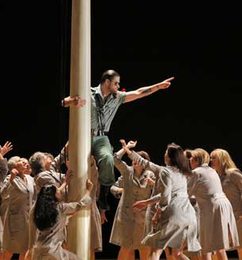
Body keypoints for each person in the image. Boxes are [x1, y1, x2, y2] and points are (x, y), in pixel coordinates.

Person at [61, 69, 174, 216]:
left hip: (101, 137)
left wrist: (158, 86)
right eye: (116, 83)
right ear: (107, 82)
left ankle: (103, 196)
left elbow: (139, 92)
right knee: (76, 162)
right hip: (84, 135)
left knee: (108, 158)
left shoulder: (117, 97)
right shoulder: (87, 92)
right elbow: (64, 102)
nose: (118, 86)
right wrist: (72, 101)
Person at [122, 141, 201, 260]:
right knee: (177, 253)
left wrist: (158, 212)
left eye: (166, 153)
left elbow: (165, 197)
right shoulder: (182, 173)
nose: (164, 155)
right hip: (187, 213)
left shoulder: (165, 172)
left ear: (170, 157)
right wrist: (147, 201)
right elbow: (147, 164)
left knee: (155, 251)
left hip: (174, 213)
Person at [5, 179, 94, 260]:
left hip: (39, 248)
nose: (60, 192)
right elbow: (79, 205)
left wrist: (64, 184)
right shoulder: (60, 208)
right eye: (58, 191)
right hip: (52, 249)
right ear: (53, 195)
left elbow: (59, 216)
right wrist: (88, 190)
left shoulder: (38, 210)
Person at [187, 148, 239, 260]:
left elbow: (186, 194)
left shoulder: (196, 172)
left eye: (191, 159)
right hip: (222, 205)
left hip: (211, 208)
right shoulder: (211, 171)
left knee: (205, 247)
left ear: (196, 160)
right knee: (219, 247)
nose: (189, 161)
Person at [110, 144, 155, 260]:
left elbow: (160, 192)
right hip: (127, 215)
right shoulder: (127, 172)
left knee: (144, 248)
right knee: (125, 246)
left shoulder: (151, 175)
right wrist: (126, 147)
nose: (134, 161)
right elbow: (115, 159)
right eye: (133, 159)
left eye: (138, 159)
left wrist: (153, 185)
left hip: (143, 216)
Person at [0, 156, 35, 260]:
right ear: (15, 167)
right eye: (22, 162)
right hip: (14, 219)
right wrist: (12, 179)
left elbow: (34, 197)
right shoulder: (10, 178)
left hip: (28, 218)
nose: (25, 164)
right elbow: (2, 193)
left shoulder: (30, 179)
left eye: (26, 162)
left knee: (25, 251)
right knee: (8, 252)